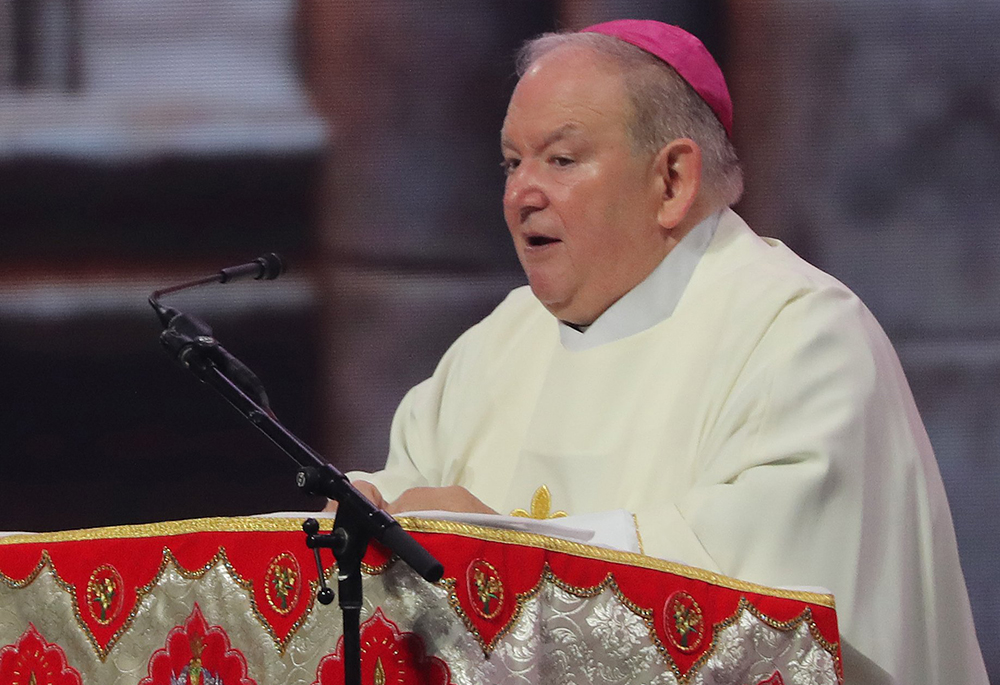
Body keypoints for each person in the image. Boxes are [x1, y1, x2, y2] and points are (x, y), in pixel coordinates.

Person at [330, 19, 988, 684]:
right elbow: (414, 483)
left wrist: (510, 553)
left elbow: (767, 611)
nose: (520, 194)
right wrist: (369, 514)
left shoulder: (801, 338)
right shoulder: (494, 346)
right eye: (511, 161)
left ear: (672, 179)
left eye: (560, 159)